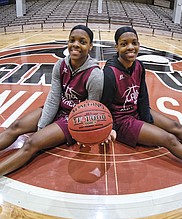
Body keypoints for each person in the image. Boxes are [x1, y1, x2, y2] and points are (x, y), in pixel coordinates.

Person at [0, 25, 104, 176]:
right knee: (16, 126)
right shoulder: (60, 65)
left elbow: (90, 112)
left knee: (32, 143)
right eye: (72, 40)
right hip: (58, 108)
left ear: (90, 46)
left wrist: (81, 134)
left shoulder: (95, 75)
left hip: (73, 118)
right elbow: (54, 97)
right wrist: (42, 126)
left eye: (82, 41)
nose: (75, 44)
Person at [101, 26, 182, 162]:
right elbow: (104, 106)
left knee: (175, 127)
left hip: (136, 110)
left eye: (134, 43)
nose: (130, 47)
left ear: (139, 45)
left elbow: (142, 96)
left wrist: (147, 121)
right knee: (169, 139)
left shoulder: (139, 66)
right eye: (124, 44)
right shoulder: (109, 72)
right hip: (122, 121)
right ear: (116, 47)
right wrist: (111, 129)